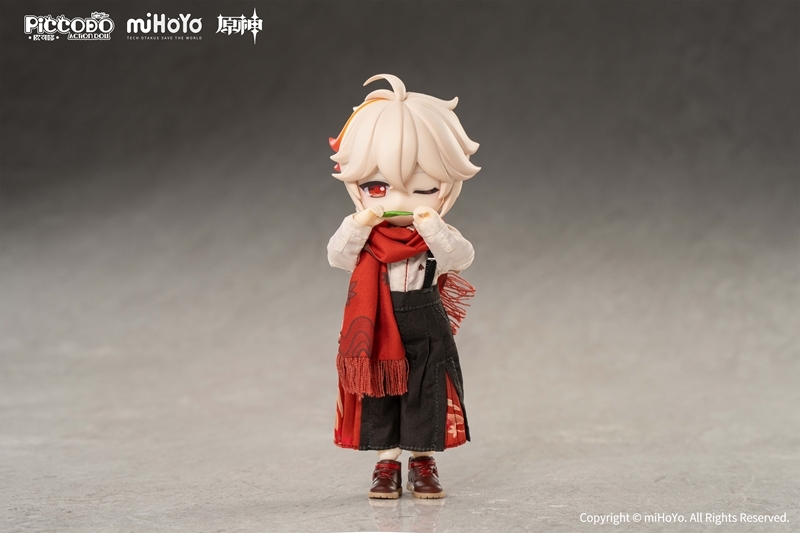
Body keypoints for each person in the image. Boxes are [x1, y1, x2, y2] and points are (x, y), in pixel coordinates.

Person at [327, 74, 480, 499]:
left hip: (426, 318)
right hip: (376, 321)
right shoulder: (364, 234)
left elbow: (460, 258)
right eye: (377, 187)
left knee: (426, 390)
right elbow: (338, 257)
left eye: (424, 188)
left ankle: (422, 462)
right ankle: (386, 464)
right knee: (379, 391)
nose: (399, 200)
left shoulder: (433, 233)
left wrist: (433, 226)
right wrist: (360, 223)